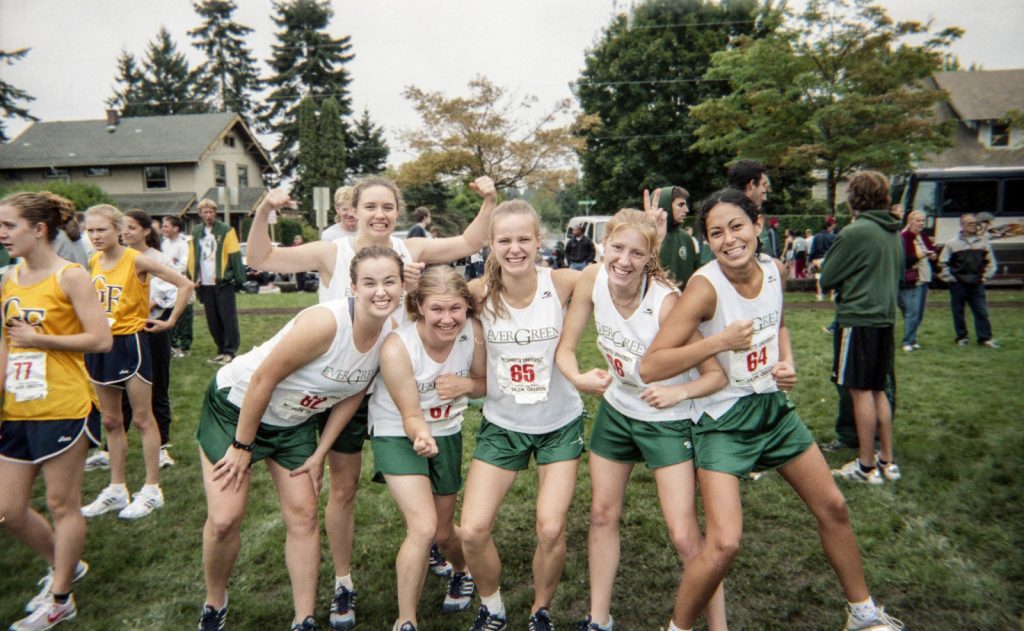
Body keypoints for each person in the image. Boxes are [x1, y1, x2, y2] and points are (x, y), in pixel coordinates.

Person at [639, 188, 902, 631]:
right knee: (724, 544)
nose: (729, 240)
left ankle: (863, 613)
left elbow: (777, 323)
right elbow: (652, 364)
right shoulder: (704, 288)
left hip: (773, 410)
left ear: (758, 227)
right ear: (707, 241)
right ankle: (678, 628)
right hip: (723, 421)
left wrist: (787, 362)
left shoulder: (775, 269)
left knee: (834, 507)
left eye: (737, 227)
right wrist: (720, 341)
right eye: (716, 233)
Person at [246, 176, 496, 630]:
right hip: (342, 384)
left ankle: (438, 547)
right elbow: (260, 259)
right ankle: (344, 581)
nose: (380, 215)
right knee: (341, 488)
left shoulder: (410, 251)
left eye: (388, 206)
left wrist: (489, 199)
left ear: (398, 211)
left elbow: (469, 240)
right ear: (354, 210)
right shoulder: (332, 252)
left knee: (427, 494)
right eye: (371, 207)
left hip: (399, 383)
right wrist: (265, 210)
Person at [195, 245, 403, 631]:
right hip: (238, 408)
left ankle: (303, 618)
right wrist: (243, 446)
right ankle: (214, 600)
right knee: (225, 519)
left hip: (294, 423)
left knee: (304, 516)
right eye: (370, 282)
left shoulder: (388, 333)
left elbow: (352, 392)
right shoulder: (326, 324)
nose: (381, 291)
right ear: (353, 287)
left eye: (390, 282)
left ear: (402, 286)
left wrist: (321, 451)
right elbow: (262, 379)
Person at [554, 208, 728, 631]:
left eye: (636, 253)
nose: (624, 261)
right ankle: (598, 618)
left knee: (687, 537)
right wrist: (578, 377)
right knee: (600, 514)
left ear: (650, 257)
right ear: (603, 246)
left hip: (666, 420)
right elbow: (566, 349)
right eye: (617, 248)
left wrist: (677, 391)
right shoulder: (592, 279)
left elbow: (716, 374)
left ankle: (720, 627)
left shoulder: (666, 303)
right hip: (617, 412)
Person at [461, 200, 583, 631]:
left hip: (558, 423)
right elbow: (426, 305)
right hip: (504, 424)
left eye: (523, 239)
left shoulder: (564, 282)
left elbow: (620, 273)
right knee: (472, 531)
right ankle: (492, 607)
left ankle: (540, 610)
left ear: (538, 241)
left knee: (550, 528)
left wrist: (653, 230)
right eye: (505, 240)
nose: (515, 249)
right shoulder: (477, 293)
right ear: (491, 245)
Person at [0, 192, 112, 631]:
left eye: (9, 225)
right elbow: (7, 342)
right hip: (17, 409)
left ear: (38, 229)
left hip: (63, 404)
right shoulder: (8, 278)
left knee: (62, 503)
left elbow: (101, 340)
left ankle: (61, 598)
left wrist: (41, 339)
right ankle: (64, 564)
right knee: (8, 510)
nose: (2, 233)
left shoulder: (72, 277)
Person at [369, 266, 487, 631]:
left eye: (456, 309)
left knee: (443, 531)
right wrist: (419, 434)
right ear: (419, 305)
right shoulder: (397, 346)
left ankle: (461, 569)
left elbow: (483, 384)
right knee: (422, 527)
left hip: (448, 431)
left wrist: (465, 385)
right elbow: (408, 413)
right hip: (399, 431)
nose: (448, 319)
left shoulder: (473, 332)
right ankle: (406, 619)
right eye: (437, 309)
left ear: (467, 307)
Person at [80, 204, 192, 520]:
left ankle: (152, 489)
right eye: (90, 230)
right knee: (112, 421)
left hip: (132, 344)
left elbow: (185, 284)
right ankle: (117, 489)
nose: (95, 235)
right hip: (101, 345)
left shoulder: (138, 260)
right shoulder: (93, 261)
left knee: (143, 419)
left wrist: (170, 321)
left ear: (118, 229)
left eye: (101, 229)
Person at [819, 172, 903, 485]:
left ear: (855, 197)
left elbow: (827, 277)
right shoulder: (892, 230)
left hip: (857, 321)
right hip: (884, 320)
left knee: (859, 392)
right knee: (879, 389)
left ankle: (866, 466)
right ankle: (887, 460)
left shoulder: (857, 232)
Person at [123, 209, 177, 468]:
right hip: (123, 332)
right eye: (123, 227)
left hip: (151, 329)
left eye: (132, 227)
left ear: (145, 231)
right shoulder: (116, 259)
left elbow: (171, 292)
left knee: (157, 388)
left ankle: (162, 445)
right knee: (120, 389)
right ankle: (114, 444)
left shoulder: (158, 259)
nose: (126, 232)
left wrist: (143, 307)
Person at [188, 198, 245, 365]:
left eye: (211, 212)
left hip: (222, 281)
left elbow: (234, 255)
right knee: (212, 319)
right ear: (200, 214)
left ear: (216, 213)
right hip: (205, 283)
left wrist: (233, 276)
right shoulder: (197, 231)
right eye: (205, 212)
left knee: (228, 318)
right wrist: (191, 276)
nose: (208, 215)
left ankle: (230, 351)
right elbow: (192, 256)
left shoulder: (226, 230)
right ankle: (220, 349)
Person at [939, 213, 999, 348]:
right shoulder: (952, 244)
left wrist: (985, 277)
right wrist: (951, 279)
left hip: (977, 283)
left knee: (981, 311)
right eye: (969, 223)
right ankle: (962, 337)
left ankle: (985, 338)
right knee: (958, 312)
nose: (973, 225)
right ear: (962, 225)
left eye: (975, 223)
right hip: (958, 284)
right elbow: (943, 263)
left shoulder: (983, 242)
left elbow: (991, 263)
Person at [898, 210, 936, 352]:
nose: (921, 223)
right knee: (912, 312)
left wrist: (933, 255)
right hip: (912, 280)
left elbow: (932, 250)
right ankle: (907, 341)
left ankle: (912, 339)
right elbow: (903, 261)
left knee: (919, 313)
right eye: (918, 220)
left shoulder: (923, 236)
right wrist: (918, 256)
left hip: (924, 278)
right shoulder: (904, 237)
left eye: (923, 221)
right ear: (910, 221)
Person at [652, 186, 700, 289]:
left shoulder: (686, 238)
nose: (686, 210)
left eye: (685, 205)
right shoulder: (646, 237)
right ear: (665, 206)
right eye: (680, 205)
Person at [160, 215, 193, 358]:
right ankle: (172, 345)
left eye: (166, 226)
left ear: (176, 228)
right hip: (166, 285)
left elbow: (183, 265)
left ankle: (185, 346)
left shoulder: (183, 244)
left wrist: (171, 266)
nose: (163, 229)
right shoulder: (164, 244)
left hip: (180, 284)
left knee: (184, 316)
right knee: (169, 314)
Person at [810, 218, 837, 301]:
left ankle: (820, 295)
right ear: (828, 227)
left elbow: (813, 250)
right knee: (832, 277)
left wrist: (811, 260)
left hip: (818, 260)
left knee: (819, 278)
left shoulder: (816, 237)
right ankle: (832, 295)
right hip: (830, 259)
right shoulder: (833, 236)